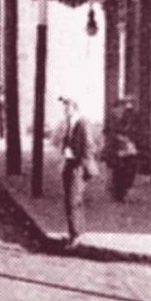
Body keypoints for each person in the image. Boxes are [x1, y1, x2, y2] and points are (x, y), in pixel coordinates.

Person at [59, 96, 93, 248]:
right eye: (64, 107)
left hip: (77, 167)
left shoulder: (82, 123)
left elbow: (89, 147)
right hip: (70, 165)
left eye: (68, 107)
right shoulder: (70, 123)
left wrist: (79, 160)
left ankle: (75, 236)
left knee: (73, 201)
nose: (65, 110)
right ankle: (77, 232)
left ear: (75, 108)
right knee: (73, 200)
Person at [105, 98, 140, 203]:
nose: (121, 110)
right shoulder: (112, 118)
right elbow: (108, 132)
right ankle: (118, 194)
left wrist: (127, 138)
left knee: (125, 171)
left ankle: (121, 193)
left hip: (126, 149)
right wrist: (118, 137)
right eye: (119, 108)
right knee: (117, 171)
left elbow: (132, 129)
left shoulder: (126, 116)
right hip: (116, 149)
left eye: (122, 108)